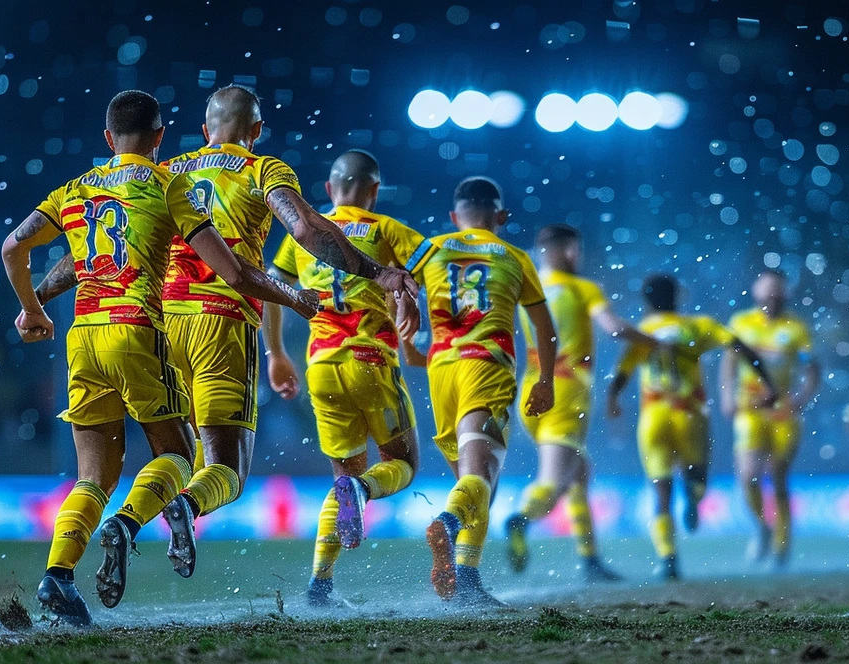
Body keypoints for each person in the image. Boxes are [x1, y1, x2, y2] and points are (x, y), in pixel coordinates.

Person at [36, 88, 418, 583]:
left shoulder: (165, 172)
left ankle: (90, 553)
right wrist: (376, 272)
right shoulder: (263, 171)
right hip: (222, 322)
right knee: (227, 468)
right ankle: (171, 512)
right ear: (256, 131)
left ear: (202, 130)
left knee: (174, 451)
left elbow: (102, 247)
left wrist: (39, 296)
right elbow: (304, 229)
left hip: (159, 324)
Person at [2, 90, 320, 626]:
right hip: (145, 331)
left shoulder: (78, 187)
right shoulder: (168, 184)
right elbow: (237, 273)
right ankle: (129, 523)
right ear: (159, 137)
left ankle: (57, 576)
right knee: (181, 455)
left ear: (107, 138)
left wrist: (32, 309)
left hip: (83, 338)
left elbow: (15, 248)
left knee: (90, 479)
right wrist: (294, 298)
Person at [264, 149, 426, 606]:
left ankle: (320, 584)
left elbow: (274, 294)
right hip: (370, 362)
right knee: (403, 463)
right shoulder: (385, 229)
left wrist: (276, 352)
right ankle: (365, 489)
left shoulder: (305, 234)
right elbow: (425, 274)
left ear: (330, 191)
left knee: (342, 477)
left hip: (321, 367)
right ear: (374, 191)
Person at [398, 177, 557, 607]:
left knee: (472, 480)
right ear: (500, 217)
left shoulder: (430, 247)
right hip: (486, 366)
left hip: (441, 369)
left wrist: (407, 337)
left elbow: (397, 286)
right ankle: (448, 528)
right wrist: (545, 381)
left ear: (454, 217)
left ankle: (467, 579)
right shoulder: (515, 256)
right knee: (481, 477)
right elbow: (545, 327)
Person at [504, 223, 655, 582]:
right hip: (565, 394)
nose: (575, 256)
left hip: (530, 392)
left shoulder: (526, 287)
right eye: (569, 249)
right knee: (554, 481)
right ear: (551, 251)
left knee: (580, 474)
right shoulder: (583, 288)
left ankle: (589, 559)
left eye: (577, 250)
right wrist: (654, 341)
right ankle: (521, 518)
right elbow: (615, 329)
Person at [608, 274, 775, 581]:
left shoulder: (643, 331)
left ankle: (668, 558)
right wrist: (767, 383)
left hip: (654, 416)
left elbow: (622, 372)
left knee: (660, 491)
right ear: (678, 297)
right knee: (696, 474)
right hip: (690, 414)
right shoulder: (697, 326)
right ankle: (694, 496)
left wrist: (613, 399)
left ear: (646, 302)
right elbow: (741, 348)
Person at [720, 269, 820, 569]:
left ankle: (782, 546)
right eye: (767, 290)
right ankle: (763, 526)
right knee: (748, 476)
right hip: (750, 410)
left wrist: (801, 399)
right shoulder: (741, 323)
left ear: (785, 294)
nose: (772, 296)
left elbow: (812, 369)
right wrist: (726, 396)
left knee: (778, 477)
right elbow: (728, 364)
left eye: (777, 291)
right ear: (756, 292)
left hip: (782, 413)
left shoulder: (796, 329)